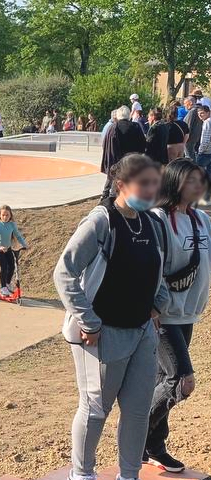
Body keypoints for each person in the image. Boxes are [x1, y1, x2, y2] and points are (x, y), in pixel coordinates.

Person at [53, 153, 167, 480]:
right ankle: (83, 474)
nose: (149, 190)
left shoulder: (152, 222)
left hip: (142, 331)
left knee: (137, 413)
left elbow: (160, 269)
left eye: (153, 183)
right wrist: (88, 320)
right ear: (121, 185)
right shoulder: (101, 221)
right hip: (103, 334)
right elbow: (64, 273)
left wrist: (157, 305)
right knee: (95, 410)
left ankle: (128, 475)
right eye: (142, 183)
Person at [144, 160, 209, 473]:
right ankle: (136, 435)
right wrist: (152, 305)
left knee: (162, 380)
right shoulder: (158, 219)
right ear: (174, 182)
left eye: (201, 180)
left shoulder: (201, 219)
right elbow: (147, 266)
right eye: (191, 180)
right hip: (164, 316)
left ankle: (154, 446)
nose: (198, 186)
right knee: (182, 381)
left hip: (188, 314)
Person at [101, 106, 147, 199]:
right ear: (129, 114)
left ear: (118, 115)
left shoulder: (113, 127)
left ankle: (108, 195)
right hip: (133, 159)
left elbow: (107, 145)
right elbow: (143, 143)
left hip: (117, 159)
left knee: (115, 179)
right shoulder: (136, 126)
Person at [0, 205, 29, 297]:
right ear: (0, 215)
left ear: (10, 215)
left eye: (7, 215)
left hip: (8, 249)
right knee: (4, 267)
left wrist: (24, 244)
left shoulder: (12, 224)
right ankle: (3, 288)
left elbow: (18, 236)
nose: (5, 217)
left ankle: (7, 284)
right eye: (3, 215)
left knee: (12, 266)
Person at [196, 106, 211, 174]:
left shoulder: (207, 122)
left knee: (198, 173)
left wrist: (200, 151)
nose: (200, 115)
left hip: (206, 152)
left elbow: (206, 139)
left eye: (202, 113)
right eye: (199, 114)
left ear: (208, 113)